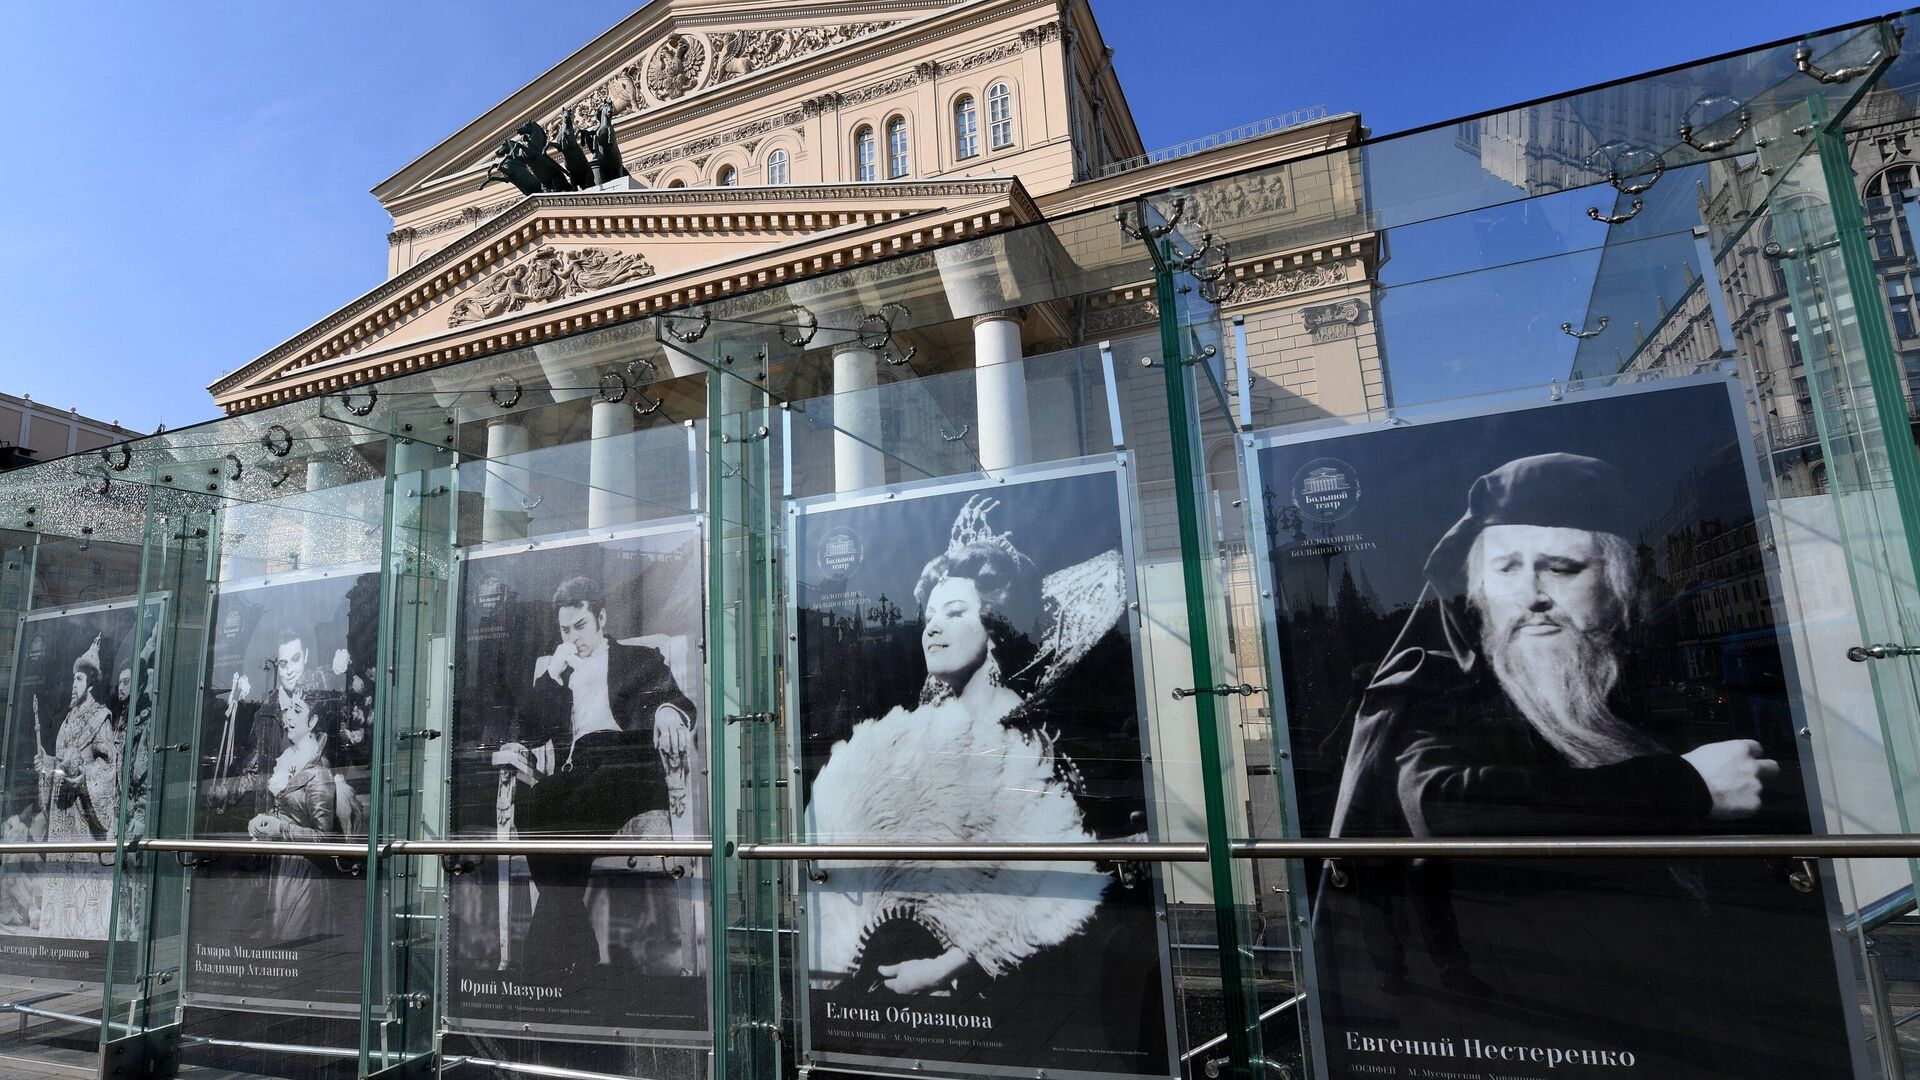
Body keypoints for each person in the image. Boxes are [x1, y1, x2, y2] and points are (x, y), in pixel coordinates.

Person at [1320, 452, 1849, 1078]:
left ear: (1619, 585)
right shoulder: (1435, 692)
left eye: (1563, 568)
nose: (1533, 596)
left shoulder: (1631, 687)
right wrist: (1683, 785)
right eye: (1507, 569)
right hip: (1535, 1008)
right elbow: (1448, 807)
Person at [806, 495, 1149, 1012]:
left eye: (956, 612)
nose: (932, 627)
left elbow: (1053, 883)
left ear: (994, 626)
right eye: (930, 615)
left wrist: (946, 965)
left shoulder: (1028, 734)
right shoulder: (926, 730)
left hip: (1038, 991)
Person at [492, 576, 695, 977]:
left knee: (570, 805)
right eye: (565, 630)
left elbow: (673, 697)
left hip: (627, 763)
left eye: (580, 625)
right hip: (579, 768)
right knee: (535, 802)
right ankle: (577, 944)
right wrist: (551, 676)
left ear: (600, 617)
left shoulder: (638, 658)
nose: (573, 637)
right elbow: (530, 730)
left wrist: (669, 712)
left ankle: (544, 953)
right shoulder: (560, 671)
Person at [32, 637, 121, 939]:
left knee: (85, 898)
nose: (74, 684)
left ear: (91, 683)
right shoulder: (67, 721)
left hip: (84, 823)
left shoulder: (100, 720)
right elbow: (60, 763)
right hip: (62, 823)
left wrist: (82, 775)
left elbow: (109, 767)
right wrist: (47, 765)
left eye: (79, 679)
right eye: (73, 679)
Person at [245, 690, 343, 941]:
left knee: (295, 942)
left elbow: (324, 838)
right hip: (284, 869)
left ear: (312, 722)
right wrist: (264, 819)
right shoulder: (291, 760)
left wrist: (280, 829)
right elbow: (290, 811)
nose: (288, 717)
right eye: (288, 709)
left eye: (297, 711)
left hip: (306, 874)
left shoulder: (318, 773)